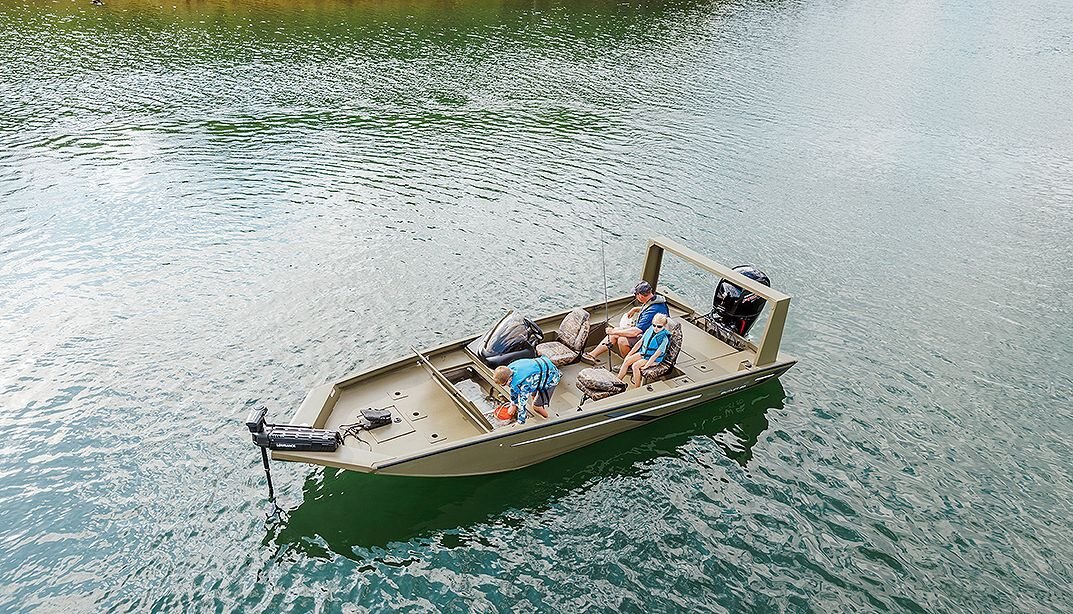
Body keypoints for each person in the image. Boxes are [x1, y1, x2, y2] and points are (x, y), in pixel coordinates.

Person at [582, 280, 669, 363]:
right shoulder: (655, 301)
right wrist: (635, 309)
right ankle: (592, 355)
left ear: (640, 296)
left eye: (635, 294)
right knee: (616, 332)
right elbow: (648, 309)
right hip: (650, 334)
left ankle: (628, 365)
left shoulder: (652, 310)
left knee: (622, 340)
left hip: (654, 340)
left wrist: (613, 331)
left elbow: (635, 332)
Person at [492, 356, 561, 424]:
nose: (504, 386)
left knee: (536, 407)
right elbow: (513, 389)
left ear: (509, 379)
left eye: (503, 384)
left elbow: (522, 403)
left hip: (551, 377)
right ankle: (541, 405)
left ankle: (549, 420)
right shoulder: (510, 370)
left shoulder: (524, 384)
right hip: (539, 373)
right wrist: (513, 404)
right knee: (533, 396)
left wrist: (520, 421)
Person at [617, 313, 671, 388]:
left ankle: (637, 388)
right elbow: (639, 343)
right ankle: (617, 382)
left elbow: (655, 355)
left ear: (664, 326)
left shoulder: (664, 339)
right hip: (644, 353)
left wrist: (646, 366)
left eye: (659, 326)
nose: (656, 328)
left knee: (635, 366)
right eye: (654, 325)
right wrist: (629, 354)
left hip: (653, 359)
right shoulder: (650, 330)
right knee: (626, 361)